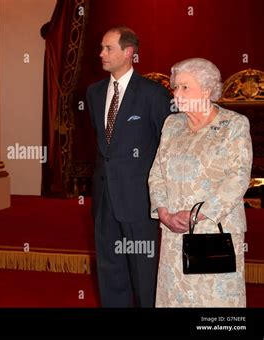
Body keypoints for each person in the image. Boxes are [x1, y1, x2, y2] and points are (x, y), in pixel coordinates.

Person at [148, 57, 252, 307]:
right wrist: (164, 213)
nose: (177, 93)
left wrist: (197, 215)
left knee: (213, 303)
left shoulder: (233, 124)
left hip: (215, 230)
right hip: (175, 231)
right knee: (176, 299)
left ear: (206, 90)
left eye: (185, 87)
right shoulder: (172, 124)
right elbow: (157, 173)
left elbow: (238, 178)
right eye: (175, 87)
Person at [86, 26, 170, 307]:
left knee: (144, 271)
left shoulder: (153, 94)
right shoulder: (94, 92)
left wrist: (165, 197)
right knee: (109, 269)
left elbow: (165, 147)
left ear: (129, 52)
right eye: (101, 47)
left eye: (108, 48)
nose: (101, 54)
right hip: (104, 197)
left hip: (139, 198)